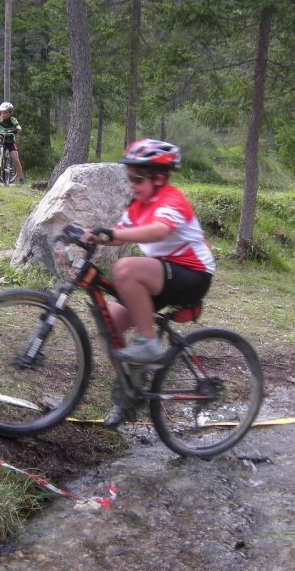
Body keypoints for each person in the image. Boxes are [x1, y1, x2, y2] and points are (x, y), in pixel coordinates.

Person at [82, 139, 215, 428]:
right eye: (129, 178)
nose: (132, 184)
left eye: (138, 178)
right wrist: (92, 234)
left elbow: (158, 231)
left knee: (126, 268)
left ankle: (148, 345)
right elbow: (118, 233)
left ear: (159, 177)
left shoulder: (172, 200)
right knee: (110, 321)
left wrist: (113, 235)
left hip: (192, 275)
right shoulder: (137, 206)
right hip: (161, 277)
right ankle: (130, 393)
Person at [0, 102, 25, 186]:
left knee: (15, 159)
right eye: (1, 112)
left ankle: (21, 179)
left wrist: (17, 129)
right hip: (1, 137)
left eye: (5, 112)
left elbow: (18, 127)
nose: (2, 114)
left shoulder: (13, 120)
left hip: (10, 140)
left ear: (10, 112)